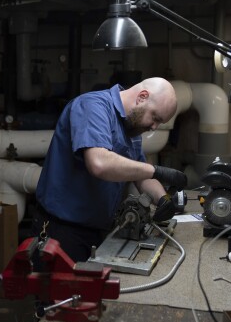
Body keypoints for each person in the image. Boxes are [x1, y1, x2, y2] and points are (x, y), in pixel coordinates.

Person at [32, 77, 187, 264]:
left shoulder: (132, 128)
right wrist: (157, 170)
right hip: (62, 231)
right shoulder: (93, 107)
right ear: (142, 97)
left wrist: (163, 199)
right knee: (63, 292)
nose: (154, 127)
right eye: (155, 118)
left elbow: (141, 175)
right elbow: (99, 163)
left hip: (97, 229)